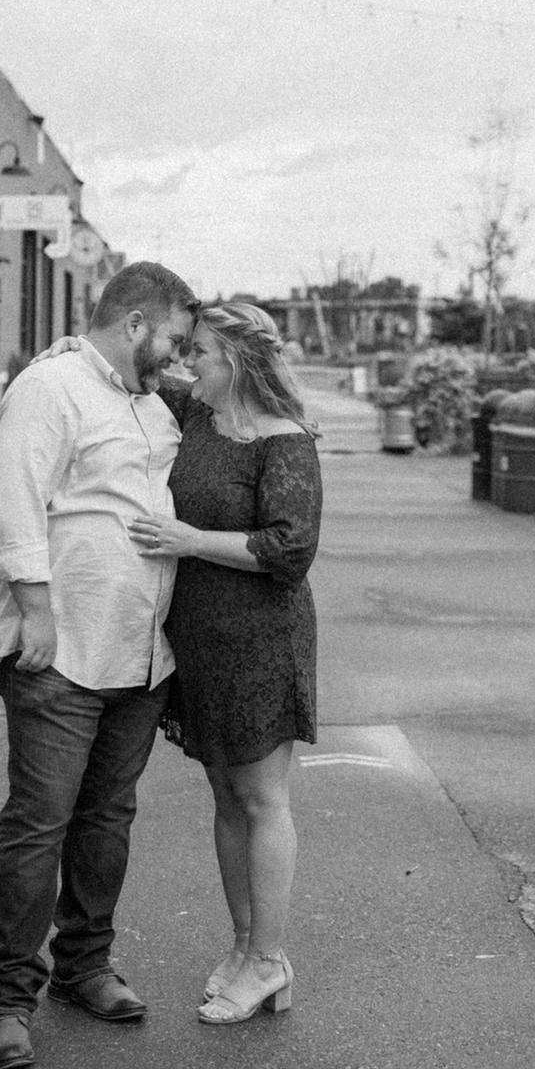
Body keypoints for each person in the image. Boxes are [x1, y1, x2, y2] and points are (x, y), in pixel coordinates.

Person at [0, 261, 199, 1069]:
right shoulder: (52, 387)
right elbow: (12, 500)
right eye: (174, 338)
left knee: (107, 821)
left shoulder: (152, 402)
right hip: (63, 650)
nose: (179, 356)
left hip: (141, 655)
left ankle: (84, 967)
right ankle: (9, 1000)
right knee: (39, 824)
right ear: (135, 323)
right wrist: (34, 611)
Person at [126, 300, 322, 1026]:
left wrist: (189, 540)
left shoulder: (284, 440)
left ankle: (269, 960)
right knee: (225, 795)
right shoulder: (196, 413)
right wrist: (67, 354)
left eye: (201, 353)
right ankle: (245, 949)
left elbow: (290, 549)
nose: (188, 364)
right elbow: (132, 370)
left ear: (236, 360)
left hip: (262, 639)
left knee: (262, 798)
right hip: (202, 638)